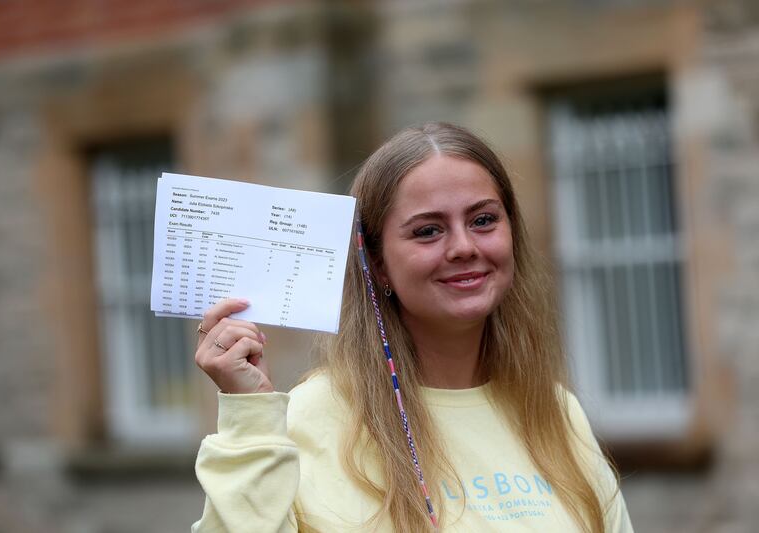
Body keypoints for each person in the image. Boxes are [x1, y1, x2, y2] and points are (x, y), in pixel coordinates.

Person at [190, 123, 634, 533]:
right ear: (378, 265)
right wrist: (248, 417)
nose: (463, 247)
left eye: (483, 220)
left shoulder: (556, 410)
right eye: (427, 231)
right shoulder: (310, 418)